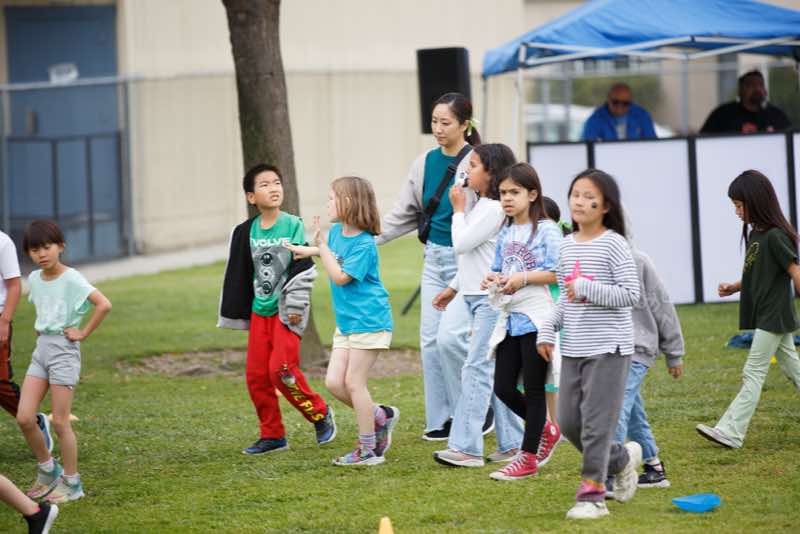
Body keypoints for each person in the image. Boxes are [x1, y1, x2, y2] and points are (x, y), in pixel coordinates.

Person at [377, 92, 488, 441]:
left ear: (464, 125)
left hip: (466, 260)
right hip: (433, 258)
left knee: (450, 340)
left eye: (446, 123)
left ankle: (473, 409)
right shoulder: (423, 163)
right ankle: (440, 420)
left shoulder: (478, 162)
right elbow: (404, 213)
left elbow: (489, 215)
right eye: (434, 122)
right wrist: (365, 239)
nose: (438, 129)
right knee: (429, 341)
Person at [537, 170, 643, 520]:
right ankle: (621, 459)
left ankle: (592, 497)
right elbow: (565, 299)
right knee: (569, 423)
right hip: (574, 348)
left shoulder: (614, 244)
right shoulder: (567, 245)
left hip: (609, 348)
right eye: (575, 195)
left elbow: (630, 294)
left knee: (596, 424)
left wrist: (586, 287)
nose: (579, 202)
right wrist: (547, 329)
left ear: (605, 206)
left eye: (589, 197)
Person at [218, 164, 336, 455]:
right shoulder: (245, 231)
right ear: (251, 197)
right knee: (256, 376)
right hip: (260, 312)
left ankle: (320, 413)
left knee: (281, 370)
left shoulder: (292, 224)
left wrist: (295, 307)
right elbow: (239, 273)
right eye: (265, 185)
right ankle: (272, 435)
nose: (273, 188)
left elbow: (303, 270)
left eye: (277, 183)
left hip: (287, 312)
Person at [286, 176, 397, 466]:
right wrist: (309, 250)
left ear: (348, 202)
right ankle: (379, 415)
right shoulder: (337, 232)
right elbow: (334, 254)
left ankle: (368, 450)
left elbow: (340, 276)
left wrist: (321, 248)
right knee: (335, 383)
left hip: (369, 320)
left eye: (331, 198)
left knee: (354, 382)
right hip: (347, 322)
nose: (327, 204)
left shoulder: (365, 244)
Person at [430, 143, 524, 468]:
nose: (467, 171)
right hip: (471, 294)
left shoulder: (494, 209)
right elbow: (475, 255)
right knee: (488, 367)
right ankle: (513, 443)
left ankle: (467, 448)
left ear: (491, 171)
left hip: (489, 299)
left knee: (477, 367)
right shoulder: (481, 206)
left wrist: (457, 210)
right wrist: (453, 288)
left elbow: (460, 244)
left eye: (473, 165)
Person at [697, 170, 800, 449]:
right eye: (735, 206)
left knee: (753, 371)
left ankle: (731, 432)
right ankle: (731, 430)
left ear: (757, 201)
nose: (737, 211)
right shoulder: (757, 234)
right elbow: (758, 273)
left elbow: (794, 271)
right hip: (767, 313)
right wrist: (735, 286)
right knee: (794, 369)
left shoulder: (776, 236)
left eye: (739, 205)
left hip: (773, 314)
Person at [478, 163, 563, 481]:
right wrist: (493, 279)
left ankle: (527, 458)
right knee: (502, 387)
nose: (507, 198)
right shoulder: (505, 232)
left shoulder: (547, 230)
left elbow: (558, 272)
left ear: (533, 194)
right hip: (511, 318)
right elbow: (499, 269)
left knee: (535, 389)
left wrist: (523, 278)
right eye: (502, 193)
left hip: (538, 317)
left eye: (514, 192)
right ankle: (546, 430)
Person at [18, 220, 112, 503]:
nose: (41, 254)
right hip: (41, 351)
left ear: (60, 247)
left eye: (47, 247)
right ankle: (48, 469)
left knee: (60, 422)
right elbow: (46, 310)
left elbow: (103, 304)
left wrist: (83, 332)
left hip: (63, 352)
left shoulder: (72, 278)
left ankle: (72, 483)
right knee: (24, 418)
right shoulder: (35, 279)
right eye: (34, 250)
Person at [606, 246, 685, 495]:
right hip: (604, 350)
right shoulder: (586, 259)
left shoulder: (638, 261)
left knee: (615, 406)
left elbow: (662, 305)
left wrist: (674, 352)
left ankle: (609, 474)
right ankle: (654, 468)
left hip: (635, 347)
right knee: (631, 411)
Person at [0, 230, 53, 452]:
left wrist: (5, 321)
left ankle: (33, 420)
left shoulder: (2, 242)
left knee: (0, 383)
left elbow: (14, 285)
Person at [700, 70, 792, 135]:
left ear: (765, 91)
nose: (757, 89)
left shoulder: (776, 115)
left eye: (761, 85)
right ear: (740, 91)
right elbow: (704, 140)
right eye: (751, 85)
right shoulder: (723, 114)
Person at [581, 83, 656, 141]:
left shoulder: (642, 116)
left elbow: (652, 144)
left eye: (625, 103)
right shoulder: (595, 120)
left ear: (631, 102)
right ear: (608, 99)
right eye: (615, 102)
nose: (620, 107)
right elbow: (587, 147)